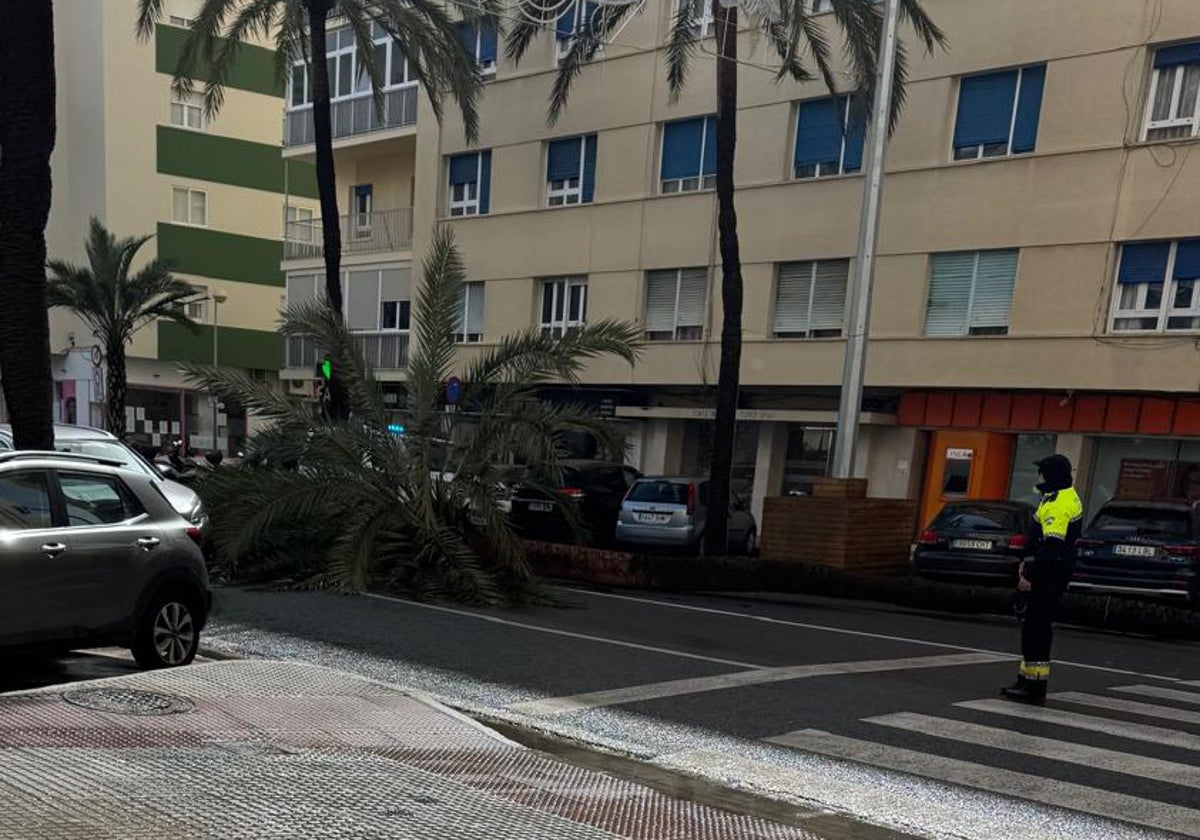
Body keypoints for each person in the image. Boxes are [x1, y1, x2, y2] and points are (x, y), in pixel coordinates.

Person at [1002, 454, 1082, 704]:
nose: (1039, 478)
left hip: (1048, 576)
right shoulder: (1056, 497)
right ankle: (1026, 679)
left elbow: (1050, 548)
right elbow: (1034, 536)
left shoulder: (1059, 503)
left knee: (1036, 629)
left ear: (1052, 475)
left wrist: (1029, 575)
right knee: (1033, 627)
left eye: (1043, 473)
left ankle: (1034, 687)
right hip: (1050, 573)